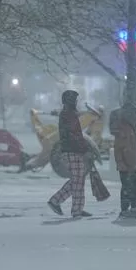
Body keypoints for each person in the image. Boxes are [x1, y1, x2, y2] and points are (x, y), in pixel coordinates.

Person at [47, 90, 92, 218]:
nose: (77, 102)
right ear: (70, 101)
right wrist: (84, 149)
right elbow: (75, 135)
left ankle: (77, 209)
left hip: (71, 149)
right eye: (75, 99)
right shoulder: (68, 114)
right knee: (77, 180)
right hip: (73, 150)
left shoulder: (68, 113)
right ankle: (56, 201)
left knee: (78, 179)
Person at [111, 102, 136, 218]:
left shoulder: (130, 128)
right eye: (135, 115)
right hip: (126, 166)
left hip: (133, 164)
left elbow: (133, 148)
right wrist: (121, 163)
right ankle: (124, 210)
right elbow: (119, 149)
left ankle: (134, 208)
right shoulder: (122, 129)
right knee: (127, 188)